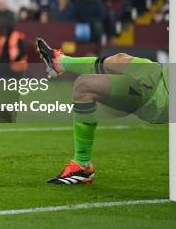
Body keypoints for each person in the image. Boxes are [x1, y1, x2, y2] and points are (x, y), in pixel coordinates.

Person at [36, 38, 168, 185]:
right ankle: (60, 62)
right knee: (118, 59)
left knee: (83, 86)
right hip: (159, 71)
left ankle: (82, 164)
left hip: (161, 96)